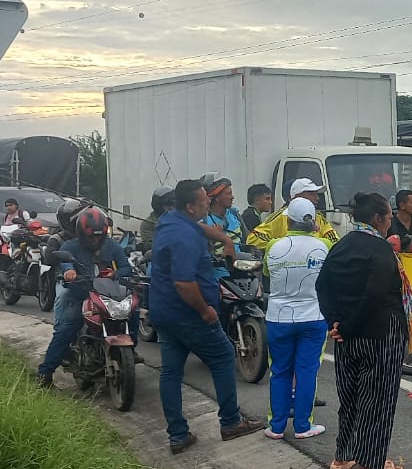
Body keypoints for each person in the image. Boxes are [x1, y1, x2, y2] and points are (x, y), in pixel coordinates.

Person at [152, 180, 265, 452]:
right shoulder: (184, 238)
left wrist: (224, 238)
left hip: (162, 311)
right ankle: (230, 421)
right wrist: (205, 311)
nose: (207, 203)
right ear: (191, 206)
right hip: (187, 313)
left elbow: (198, 227)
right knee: (225, 356)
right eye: (203, 201)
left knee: (171, 372)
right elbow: (183, 283)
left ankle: (178, 435)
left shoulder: (171, 220)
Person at [318, 192, 412, 469]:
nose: (389, 222)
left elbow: (323, 285)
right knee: (378, 397)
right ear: (377, 218)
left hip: (347, 335)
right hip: (379, 332)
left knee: (351, 396)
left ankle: (343, 455)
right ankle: (371, 463)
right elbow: (374, 295)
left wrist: (335, 322)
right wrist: (347, 325)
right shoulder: (380, 250)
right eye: (387, 217)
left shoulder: (340, 246)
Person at [34, 206, 133, 388]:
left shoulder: (112, 246)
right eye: (91, 236)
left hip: (108, 294)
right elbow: (65, 263)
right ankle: (44, 373)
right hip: (81, 295)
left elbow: (126, 267)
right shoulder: (70, 246)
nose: (95, 240)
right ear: (81, 233)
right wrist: (69, 271)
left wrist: (115, 274)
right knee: (66, 330)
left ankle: (129, 352)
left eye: (98, 235)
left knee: (130, 315)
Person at [262, 198, 332, 440]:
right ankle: (303, 426)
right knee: (306, 372)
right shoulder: (324, 245)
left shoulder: (273, 246)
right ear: (313, 222)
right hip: (314, 317)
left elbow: (267, 273)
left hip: (278, 318)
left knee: (279, 371)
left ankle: (276, 427)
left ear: (287, 220)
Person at [249, 178, 340, 249]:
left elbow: (334, 240)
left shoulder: (318, 217)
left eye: (317, 194)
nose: (317, 198)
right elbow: (253, 238)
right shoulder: (281, 215)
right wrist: (281, 246)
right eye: (312, 194)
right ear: (297, 196)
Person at [137, 187, 174, 251]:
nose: (172, 208)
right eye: (168, 205)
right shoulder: (148, 224)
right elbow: (155, 247)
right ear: (159, 206)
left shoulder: (177, 219)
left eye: (173, 205)